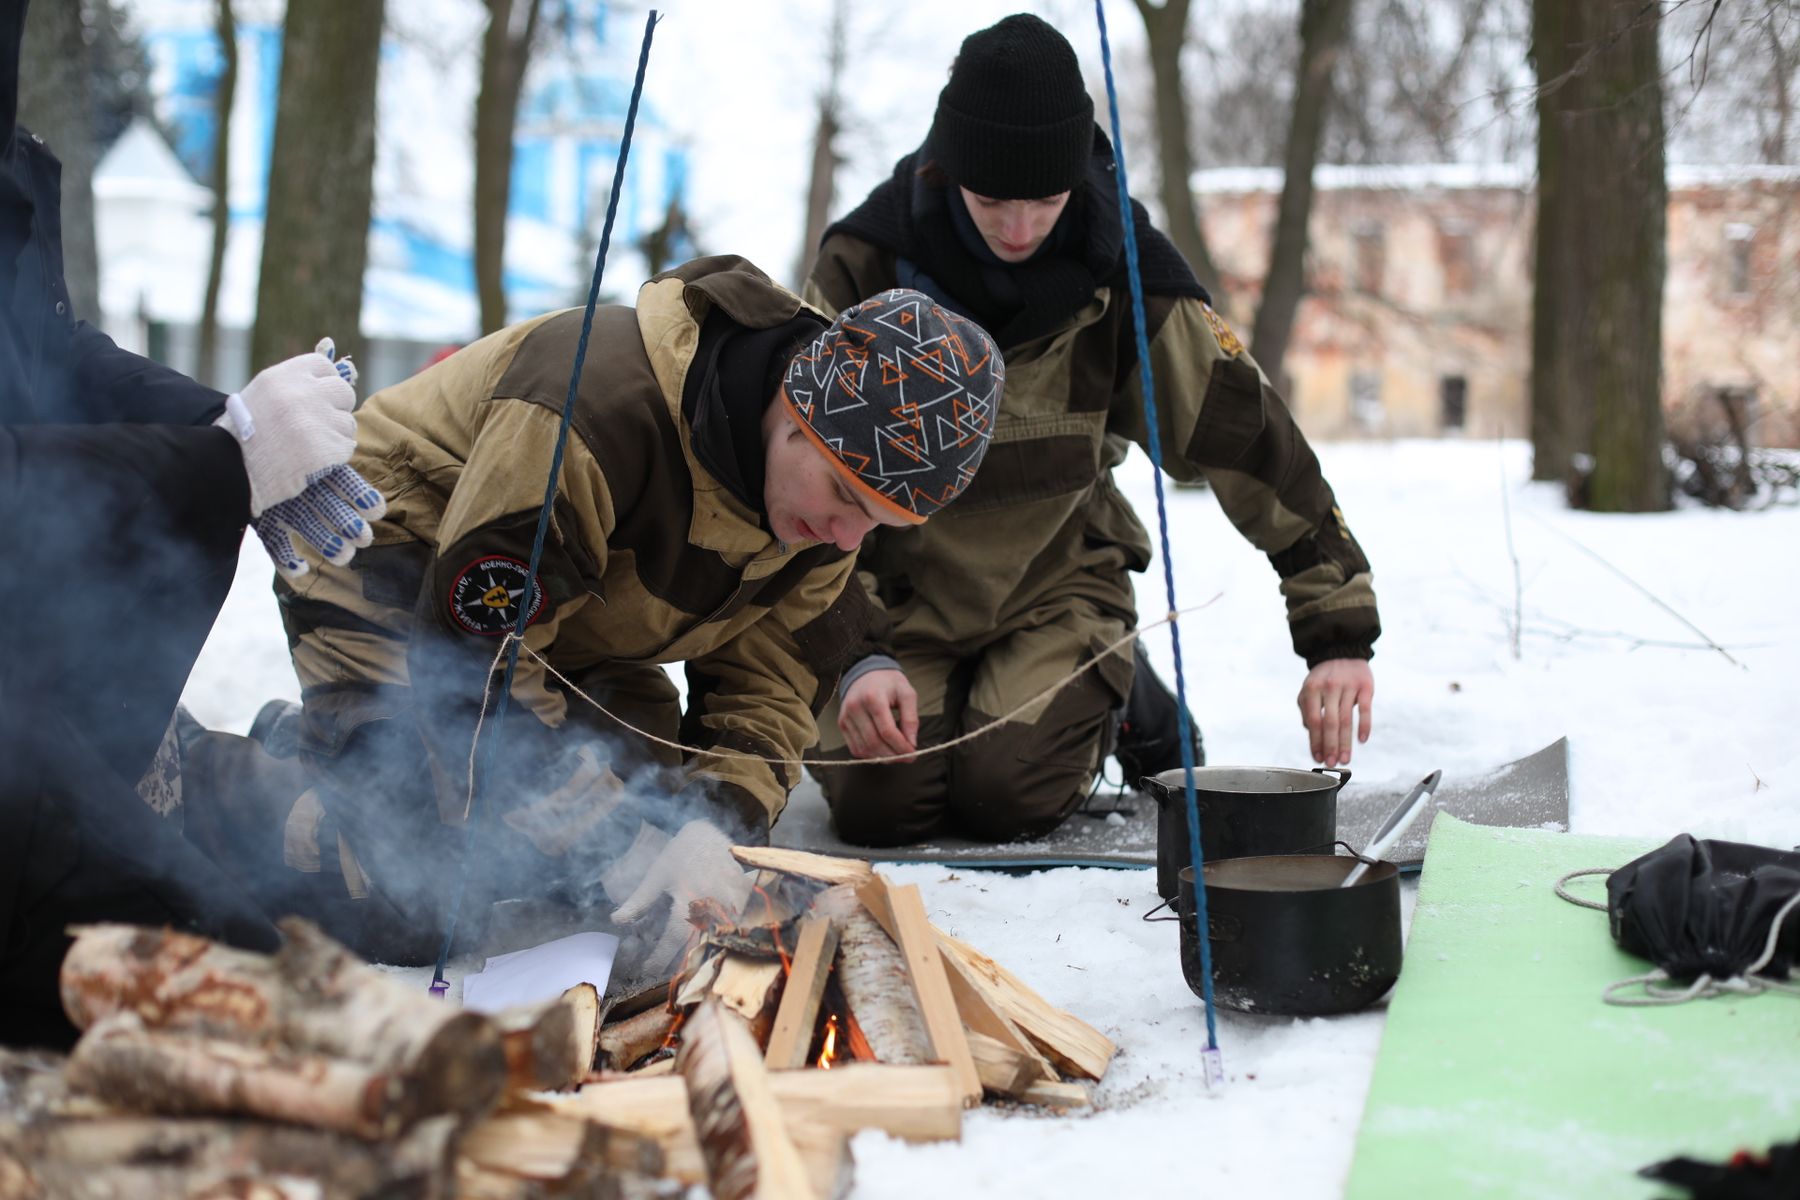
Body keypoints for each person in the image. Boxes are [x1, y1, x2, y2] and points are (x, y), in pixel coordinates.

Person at [192, 257, 1001, 975]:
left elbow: (769, 687)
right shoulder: (590, 410)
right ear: (793, 412)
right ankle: (189, 772)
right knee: (416, 886)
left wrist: (711, 834)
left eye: (879, 525)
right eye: (846, 500)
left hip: (557, 628)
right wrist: (626, 842)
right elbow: (476, 668)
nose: (846, 539)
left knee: (588, 862)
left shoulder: (828, 497)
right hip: (391, 558)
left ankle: (319, 743)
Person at [802, 13, 1381, 847]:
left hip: (1055, 586)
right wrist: (852, 649)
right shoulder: (863, 264)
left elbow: (1248, 439)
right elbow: (792, 479)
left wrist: (1337, 631)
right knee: (880, 807)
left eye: (1044, 198)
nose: (1019, 228)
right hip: (896, 597)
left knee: (1008, 794)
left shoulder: (1131, 275)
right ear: (948, 168)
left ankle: (1122, 695)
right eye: (993, 199)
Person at [0, 0, 386, 1048]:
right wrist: (225, 466)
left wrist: (214, 421)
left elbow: (45, 349)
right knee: (239, 1000)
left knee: (336, 889)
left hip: (45, 706)